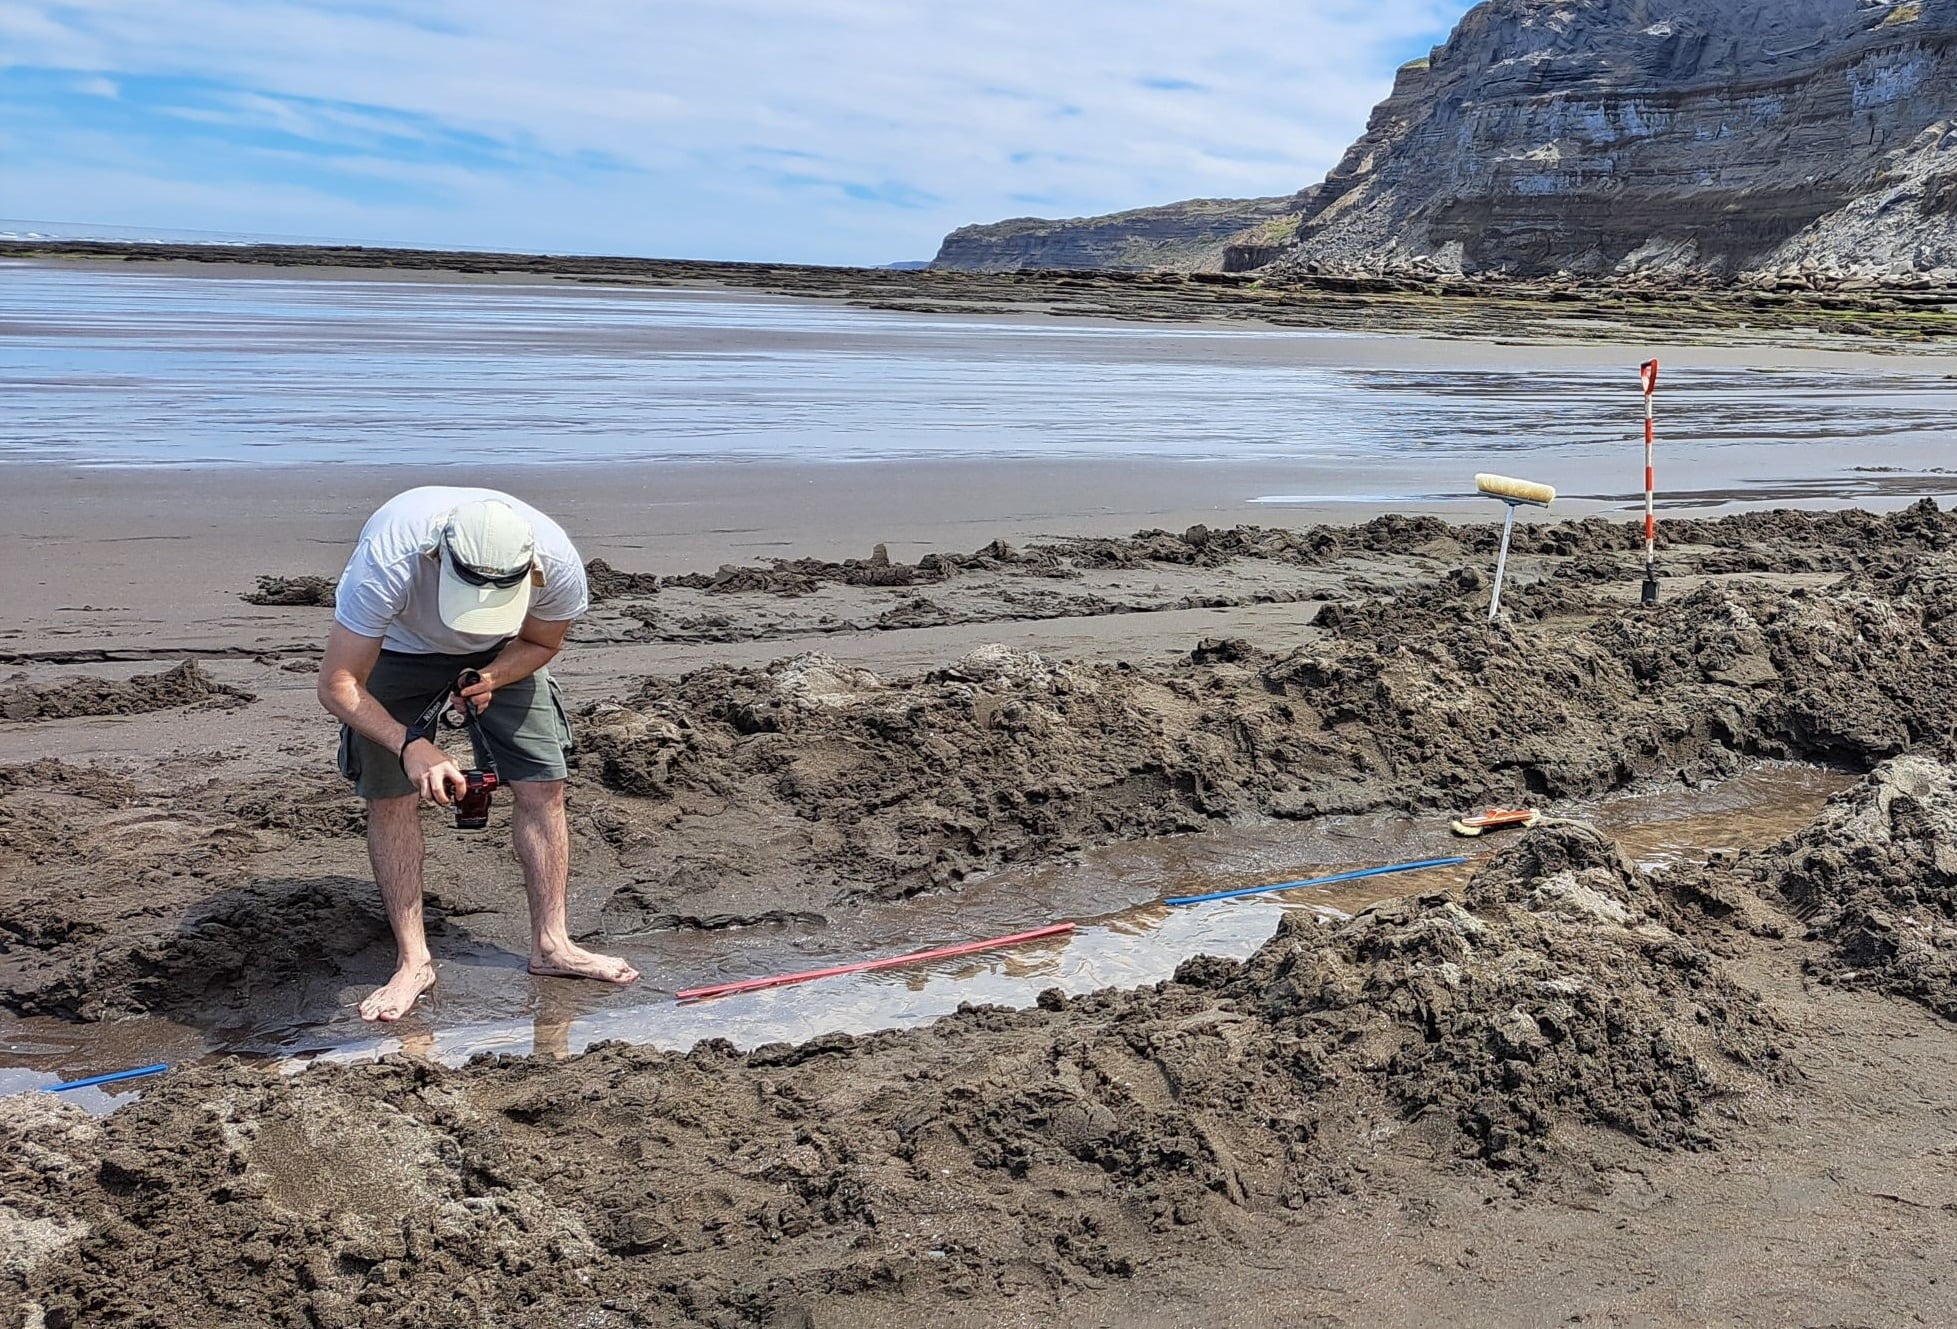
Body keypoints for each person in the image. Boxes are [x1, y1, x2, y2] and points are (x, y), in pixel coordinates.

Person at [317, 486, 638, 1021]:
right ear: (436, 558)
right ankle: (414, 960)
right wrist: (411, 745)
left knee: (544, 781)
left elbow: (541, 642)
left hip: (503, 649)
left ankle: (552, 944)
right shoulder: (388, 562)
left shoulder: (557, 563)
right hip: (395, 647)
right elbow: (339, 683)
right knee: (392, 795)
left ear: (530, 571)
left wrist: (492, 677)